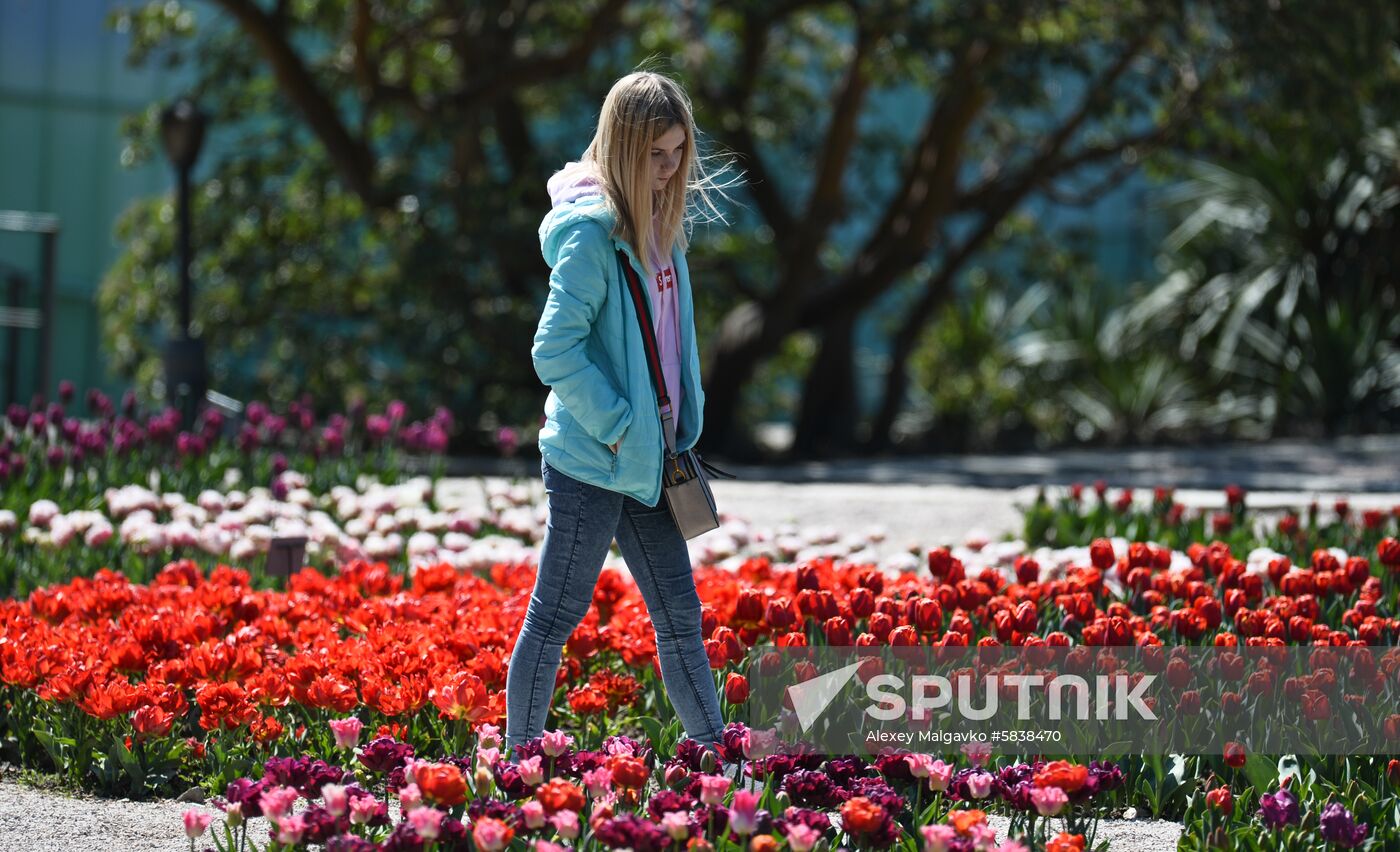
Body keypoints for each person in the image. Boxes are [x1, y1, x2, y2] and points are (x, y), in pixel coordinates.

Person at [504, 70, 736, 766]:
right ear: (622, 148)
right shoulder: (591, 235)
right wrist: (616, 423)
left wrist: (662, 427)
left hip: (649, 461)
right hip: (592, 460)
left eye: (677, 155)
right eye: (655, 156)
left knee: (679, 616)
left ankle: (716, 754)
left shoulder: (659, 228)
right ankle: (521, 761)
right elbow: (553, 349)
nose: (668, 172)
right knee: (556, 615)